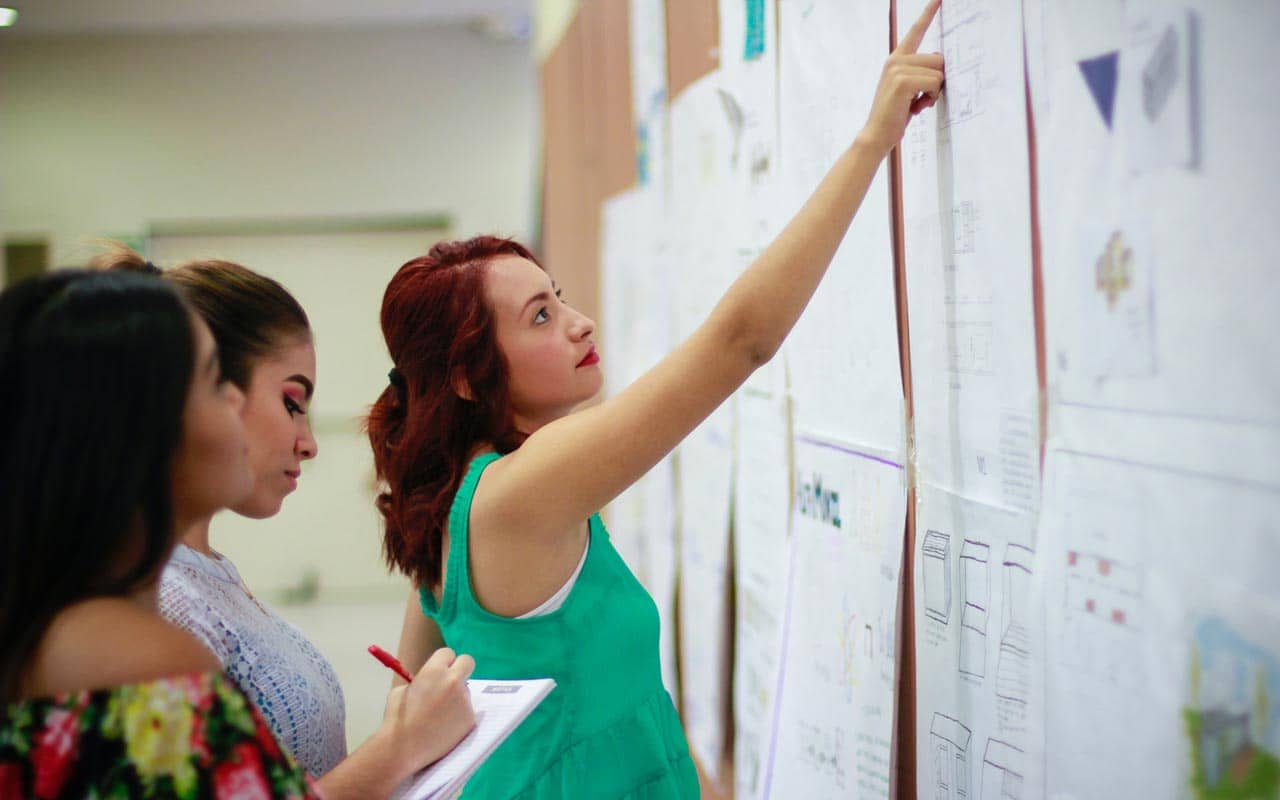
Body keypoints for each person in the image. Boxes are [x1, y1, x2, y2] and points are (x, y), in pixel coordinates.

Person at [366, 3, 945, 797]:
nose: (579, 323)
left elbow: (410, 691)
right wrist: (869, 141)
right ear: (468, 375)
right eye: (540, 316)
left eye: (559, 297)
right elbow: (739, 342)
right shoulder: (523, 487)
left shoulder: (457, 500)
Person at [0, 269, 475, 799]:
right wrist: (402, 746)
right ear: (141, 423)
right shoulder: (141, 654)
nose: (233, 403)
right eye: (213, 383)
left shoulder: (109, 620)